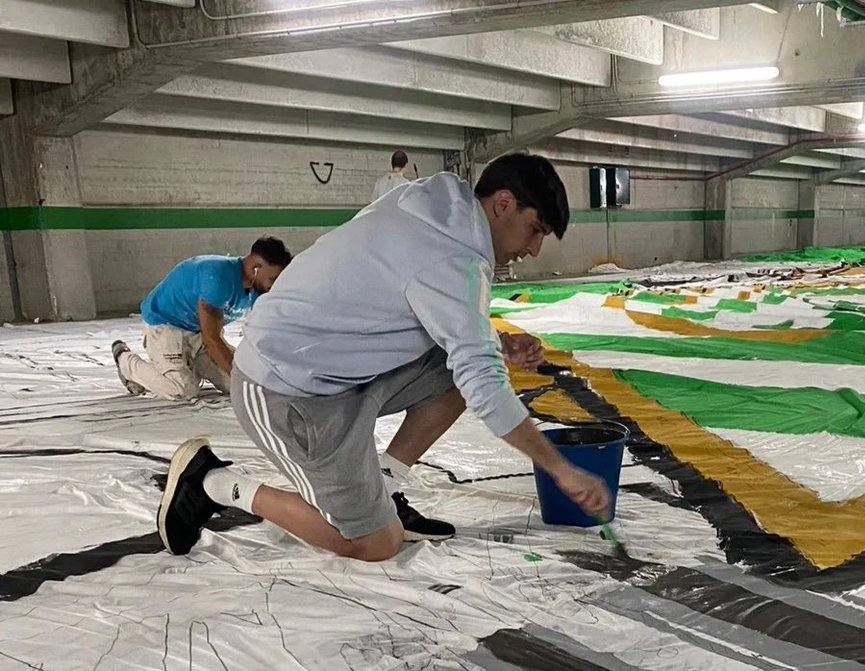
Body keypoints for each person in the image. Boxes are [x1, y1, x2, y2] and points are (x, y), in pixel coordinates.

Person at [156, 153, 612, 561]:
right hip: (286, 390)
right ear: (504, 204)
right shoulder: (454, 259)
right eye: (536, 231)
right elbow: (485, 384)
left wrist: (487, 338)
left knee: (461, 368)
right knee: (375, 543)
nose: (533, 250)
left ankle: (385, 485)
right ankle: (213, 483)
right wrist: (561, 471)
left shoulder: (434, 202)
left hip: (337, 371)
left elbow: (409, 290)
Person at [112, 237, 292, 401]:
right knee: (183, 389)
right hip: (166, 325)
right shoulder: (217, 276)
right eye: (273, 279)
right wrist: (243, 378)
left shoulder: (257, 288)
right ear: (256, 269)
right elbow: (212, 339)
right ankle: (125, 361)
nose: (275, 285)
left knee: (238, 386)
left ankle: (190, 365)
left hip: (197, 330)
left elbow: (268, 331)